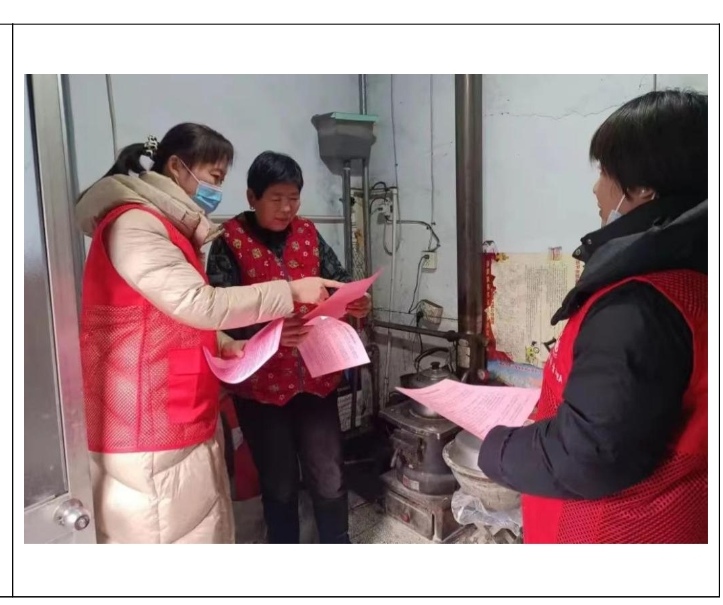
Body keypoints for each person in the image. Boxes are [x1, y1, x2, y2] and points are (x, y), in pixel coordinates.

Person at [76, 124, 341, 544]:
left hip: (273, 384)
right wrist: (288, 295)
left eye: (294, 198)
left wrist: (228, 344)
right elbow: (202, 304)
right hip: (154, 416)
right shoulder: (138, 225)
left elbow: (176, 318)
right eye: (215, 177)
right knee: (260, 492)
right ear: (176, 167)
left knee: (322, 479)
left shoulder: (175, 230)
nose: (287, 207)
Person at [478, 89, 708, 544]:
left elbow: (587, 453)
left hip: (611, 533)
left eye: (604, 171)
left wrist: (496, 449)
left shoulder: (638, 305)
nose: (596, 188)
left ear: (641, 189)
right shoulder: (692, 274)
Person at [207, 151, 372, 543]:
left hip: (315, 379)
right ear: (252, 197)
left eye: (293, 198)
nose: (286, 208)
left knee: (329, 475)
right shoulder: (229, 240)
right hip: (260, 388)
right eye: (276, 198)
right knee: (278, 483)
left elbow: (337, 279)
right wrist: (267, 330)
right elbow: (218, 311)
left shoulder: (308, 233)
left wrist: (355, 300)